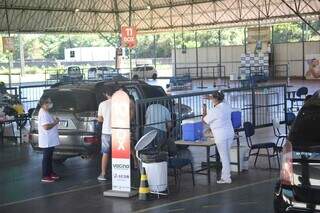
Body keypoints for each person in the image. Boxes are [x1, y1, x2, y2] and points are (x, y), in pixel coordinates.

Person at [202, 91, 234, 184]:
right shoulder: (226, 105)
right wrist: (211, 97)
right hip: (229, 133)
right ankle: (225, 176)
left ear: (215, 99)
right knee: (226, 155)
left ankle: (226, 178)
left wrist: (204, 109)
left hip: (221, 136)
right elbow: (221, 100)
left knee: (224, 157)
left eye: (212, 98)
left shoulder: (214, 110)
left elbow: (204, 120)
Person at [38, 95, 60, 183]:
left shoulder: (46, 112)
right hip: (47, 139)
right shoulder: (43, 113)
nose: (50, 104)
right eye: (48, 102)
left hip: (50, 139)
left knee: (50, 157)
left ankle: (50, 172)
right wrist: (55, 122)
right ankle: (45, 175)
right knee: (46, 157)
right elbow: (46, 126)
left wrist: (54, 120)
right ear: (44, 104)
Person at [97, 89, 114, 181]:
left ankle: (103, 174)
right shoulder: (119, 103)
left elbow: (100, 119)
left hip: (106, 132)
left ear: (106, 94)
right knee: (118, 153)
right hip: (118, 132)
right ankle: (118, 173)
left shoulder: (102, 104)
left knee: (105, 153)